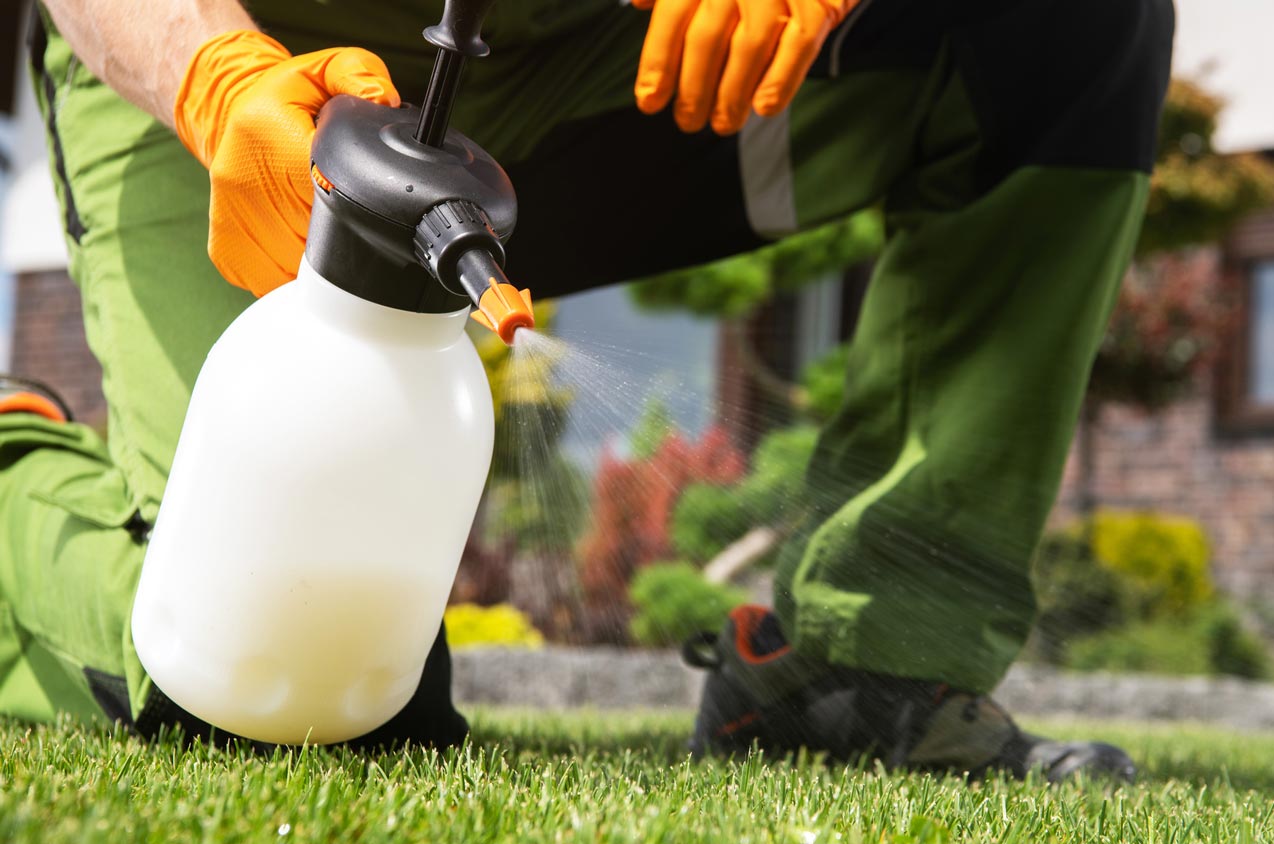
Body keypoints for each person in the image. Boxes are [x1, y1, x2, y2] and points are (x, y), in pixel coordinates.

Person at [2, 0, 1173, 779]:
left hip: (626, 65)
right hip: (256, 68)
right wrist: (209, 78)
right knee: (277, 689)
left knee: (1069, 24)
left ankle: (862, 667)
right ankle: (16, 474)